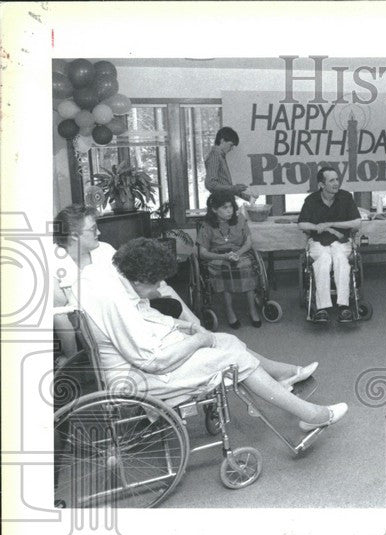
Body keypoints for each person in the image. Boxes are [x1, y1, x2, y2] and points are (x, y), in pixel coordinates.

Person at [79, 238, 344, 431]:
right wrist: (199, 339)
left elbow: (144, 319)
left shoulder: (109, 278)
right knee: (234, 358)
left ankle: (283, 375)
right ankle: (312, 415)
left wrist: (183, 327)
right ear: (137, 280)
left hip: (149, 359)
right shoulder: (116, 302)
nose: (160, 289)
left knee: (226, 340)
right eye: (155, 283)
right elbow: (153, 360)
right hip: (141, 378)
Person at [51, 204, 180, 363]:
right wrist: (70, 357)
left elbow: (131, 283)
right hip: (92, 332)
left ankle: (197, 329)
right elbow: (61, 317)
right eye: (93, 229)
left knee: (169, 295)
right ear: (74, 236)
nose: (99, 232)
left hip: (126, 315)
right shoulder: (54, 264)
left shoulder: (104, 250)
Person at [297, 166, 362, 323]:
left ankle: (343, 307)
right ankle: (322, 308)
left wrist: (331, 223)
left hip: (341, 241)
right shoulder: (312, 200)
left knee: (341, 259)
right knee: (324, 260)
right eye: (331, 180)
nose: (336, 183)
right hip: (318, 242)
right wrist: (318, 227)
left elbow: (357, 222)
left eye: (337, 179)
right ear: (321, 184)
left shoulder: (346, 197)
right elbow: (302, 224)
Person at [197, 193, 262, 329]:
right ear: (214, 209)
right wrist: (223, 257)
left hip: (239, 253)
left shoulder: (240, 219)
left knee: (246, 267)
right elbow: (203, 253)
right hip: (217, 256)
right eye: (224, 207)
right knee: (224, 270)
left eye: (231, 206)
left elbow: (248, 242)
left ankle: (252, 310)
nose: (229, 210)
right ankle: (229, 311)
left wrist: (237, 253)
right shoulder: (207, 225)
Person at [204, 127, 257, 202]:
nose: (231, 149)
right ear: (222, 141)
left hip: (224, 201)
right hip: (220, 202)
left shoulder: (220, 156)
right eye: (230, 145)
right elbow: (210, 184)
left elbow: (225, 186)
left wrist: (248, 197)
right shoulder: (215, 156)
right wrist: (233, 188)